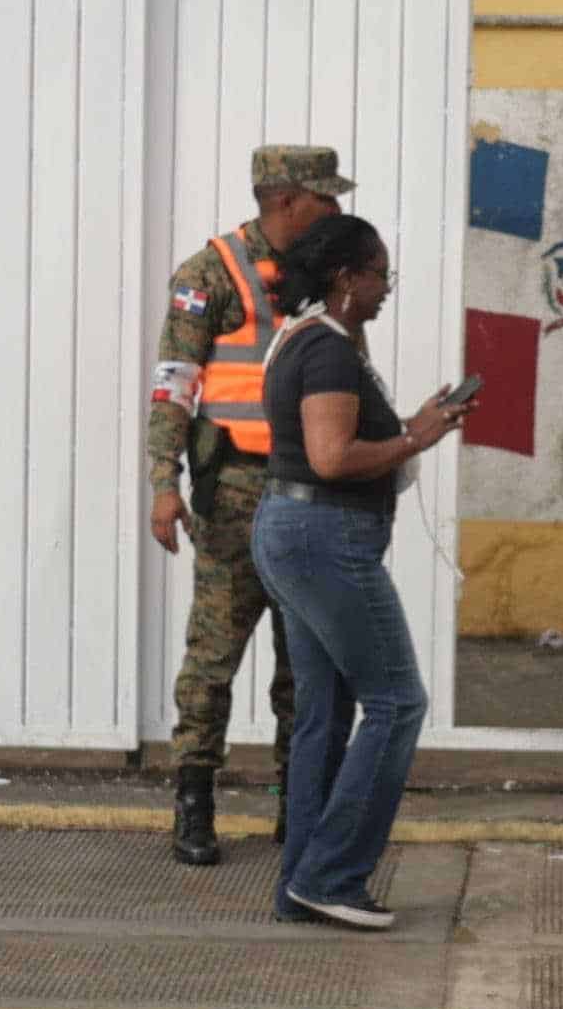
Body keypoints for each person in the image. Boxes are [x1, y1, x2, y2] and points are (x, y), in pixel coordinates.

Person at [252, 213, 466, 932]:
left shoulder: (309, 339)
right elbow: (332, 459)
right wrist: (415, 437)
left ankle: (303, 884)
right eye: (378, 275)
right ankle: (333, 874)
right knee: (397, 702)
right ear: (347, 276)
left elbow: (335, 447)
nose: (384, 290)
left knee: (326, 711)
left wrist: (412, 425)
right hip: (323, 539)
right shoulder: (329, 352)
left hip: (297, 533)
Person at [145, 145, 351, 867]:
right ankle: (194, 803)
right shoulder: (210, 275)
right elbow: (175, 383)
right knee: (214, 655)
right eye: (325, 199)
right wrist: (162, 483)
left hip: (309, 491)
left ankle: (299, 809)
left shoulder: (328, 270)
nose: (336, 210)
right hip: (234, 494)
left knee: (307, 659)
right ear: (287, 199)